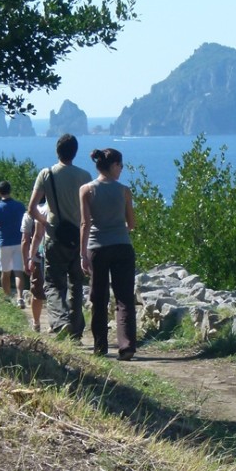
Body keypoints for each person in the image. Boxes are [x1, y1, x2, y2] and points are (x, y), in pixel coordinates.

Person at [29, 134, 89, 339]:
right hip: (79, 237)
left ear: (57, 151)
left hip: (55, 237)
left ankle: (61, 322)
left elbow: (32, 208)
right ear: (75, 152)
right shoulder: (85, 176)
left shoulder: (46, 174)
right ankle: (76, 332)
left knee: (53, 283)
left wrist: (44, 222)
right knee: (76, 285)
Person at [80, 147, 137, 360]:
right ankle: (127, 345)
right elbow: (132, 223)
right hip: (122, 246)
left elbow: (85, 223)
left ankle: (100, 346)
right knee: (124, 297)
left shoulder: (86, 190)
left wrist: (82, 253)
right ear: (113, 166)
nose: (121, 169)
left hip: (97, 248)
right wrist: (118, 228)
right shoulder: (124, 191)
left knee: (99, 297)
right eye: (121, 165)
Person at [0, 180, 27, 307]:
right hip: (19, 242)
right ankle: (20, 297)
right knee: (18, 272)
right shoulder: (20, 206)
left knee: (5, 272)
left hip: (4, 243)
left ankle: (7, 297)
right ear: (10, 190)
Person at [21, 202, 48, 332]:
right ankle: (54, 324)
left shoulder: (29, 215)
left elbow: (25, 240)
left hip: (37, 257)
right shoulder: (53, 208)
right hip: (56, 255)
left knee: (37, 292)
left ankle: (36, 323)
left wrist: (26, 261)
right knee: (57, 290)